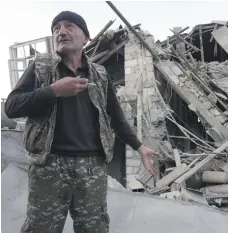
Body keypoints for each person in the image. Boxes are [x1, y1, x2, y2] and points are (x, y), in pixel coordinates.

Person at [5, 11, 158, 233]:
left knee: (94, 229)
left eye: (69, 26)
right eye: (56, 28)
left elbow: (115, 117)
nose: (61, 32)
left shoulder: (99, 74)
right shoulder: (41, 66)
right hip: (49, 166)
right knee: (40, 229)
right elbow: (11, 106)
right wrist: (52, 91)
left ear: (85, 37)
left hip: (92, 168)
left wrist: (139, 147)